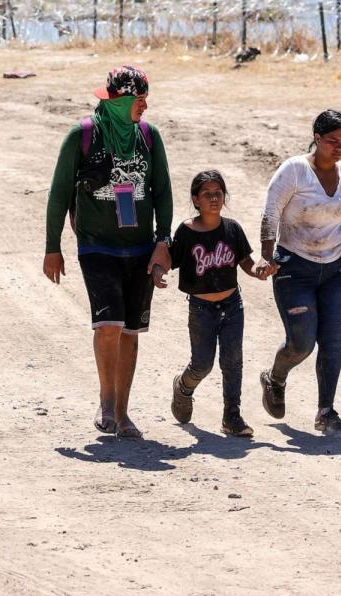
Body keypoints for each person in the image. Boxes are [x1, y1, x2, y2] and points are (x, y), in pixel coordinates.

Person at [42, 65, 173, 439]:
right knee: (110, 325)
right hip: (96, 246)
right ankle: (106, 402)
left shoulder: (148, 137)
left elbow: (162, 191)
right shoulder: (82, 136)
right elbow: (58, 195)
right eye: (139, 99)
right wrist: (53, 248)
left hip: (140, 248)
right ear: (118, 101)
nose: (144, 106)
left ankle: (122, 411)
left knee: (131, 330)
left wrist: (163, 241)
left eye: (146, 98)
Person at [255, 109, 341, 434]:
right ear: (316, 138)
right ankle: (275, 378)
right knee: (301, 342)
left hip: (336, 270)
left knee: (332, 342)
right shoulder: (294, 172)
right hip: (294, 267)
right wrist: (267, 257)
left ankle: (326, 411)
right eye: (332, 141)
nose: (339, 147)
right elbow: (270, 214)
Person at [157, 170, 259, 438]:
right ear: (196, 200)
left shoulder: (232, 229)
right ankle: (183, 387)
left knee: (233, 361)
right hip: (201, 310)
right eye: (207, 194)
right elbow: (170, 260)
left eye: (218, 193)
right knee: (202, 364)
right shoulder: (187, 232)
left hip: (232, 305)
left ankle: (232, 417)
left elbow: (246, 262)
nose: (214, 198)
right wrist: (158, 271)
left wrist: (259, 269)